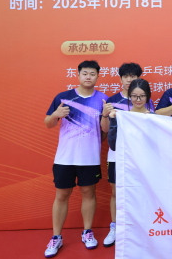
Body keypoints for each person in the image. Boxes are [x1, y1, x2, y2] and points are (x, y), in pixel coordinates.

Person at [43, 60, 108, 258]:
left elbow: (105, 130)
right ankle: (56, 236)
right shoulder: (63, 97)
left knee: (89, 193)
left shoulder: (103, 99)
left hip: (89, 157)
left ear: (97, 76)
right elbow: (48, 123)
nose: (88, 77)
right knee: (62, 195)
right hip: (65, 157)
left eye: (92, 74)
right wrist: (55, 114)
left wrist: (104, 118)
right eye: (85, 73)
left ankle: (87, 232)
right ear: (78, 75)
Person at [99, 63, 148, 248]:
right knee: (116, 191)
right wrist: (105, 115)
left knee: (140, 190)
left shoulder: (144, 100)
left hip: (139, 156)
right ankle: (115, 227)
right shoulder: (111, 100)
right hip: (116, 155)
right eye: (125, 76)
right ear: (120, 79)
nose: (129, 79)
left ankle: (139, 228)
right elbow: (105, 130)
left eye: (132, 76)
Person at [106, 78, 153, 152]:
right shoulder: (122, 118)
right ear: (130, 96)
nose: (138, 100)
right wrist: (113, 121)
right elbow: (113, 146)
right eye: (134, 96)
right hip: (128, 158)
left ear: (148, 96)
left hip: (147, 158)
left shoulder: (154, 118)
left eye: (142, 96)